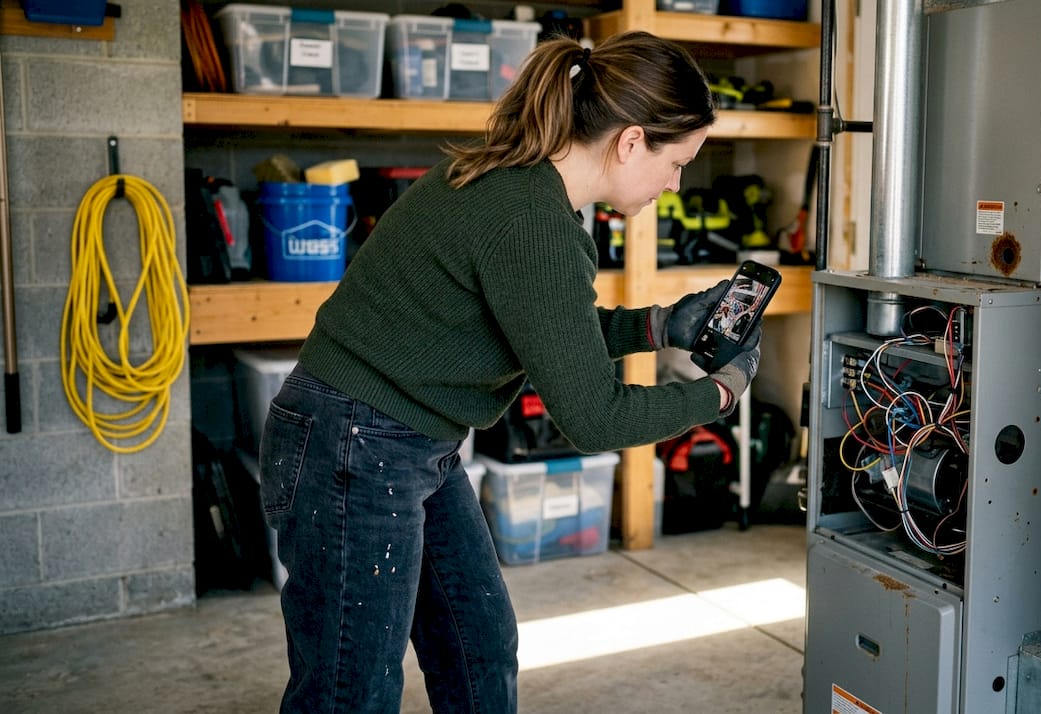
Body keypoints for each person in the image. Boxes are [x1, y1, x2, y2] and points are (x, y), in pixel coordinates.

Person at [257, 30, 763, 714]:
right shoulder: (534, 221)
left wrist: (659, 325)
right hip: (355, 443)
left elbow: (542, 330)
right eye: (678, 163)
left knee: (479, 647)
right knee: (350, 691)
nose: (676, 185)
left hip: (406, 441)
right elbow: (594, 418)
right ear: (632, 140)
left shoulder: (526, 188)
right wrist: (720, 392)